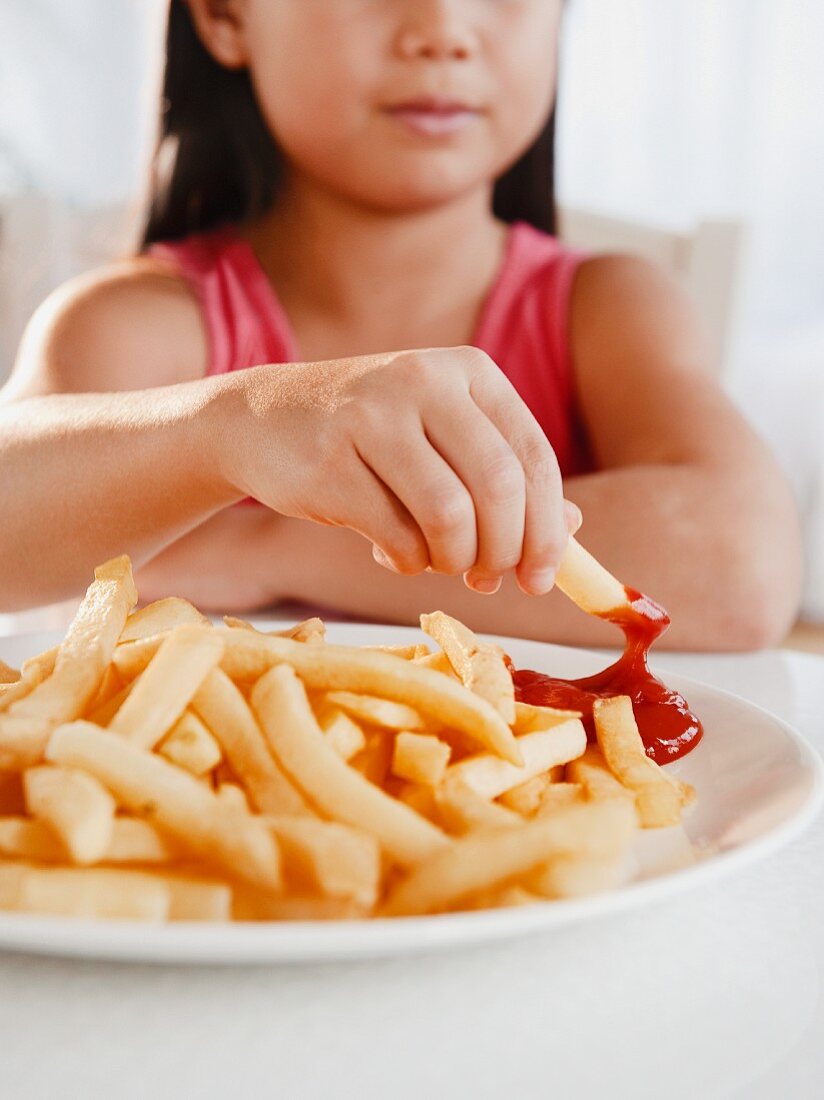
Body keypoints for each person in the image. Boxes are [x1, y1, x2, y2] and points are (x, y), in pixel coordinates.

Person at [0, 0, 802, 649]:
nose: (443, 30)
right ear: (224, 16)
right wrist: (228, 428)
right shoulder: (137, 321)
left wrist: (261, 548)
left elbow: (746, 566)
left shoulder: (609, 306)